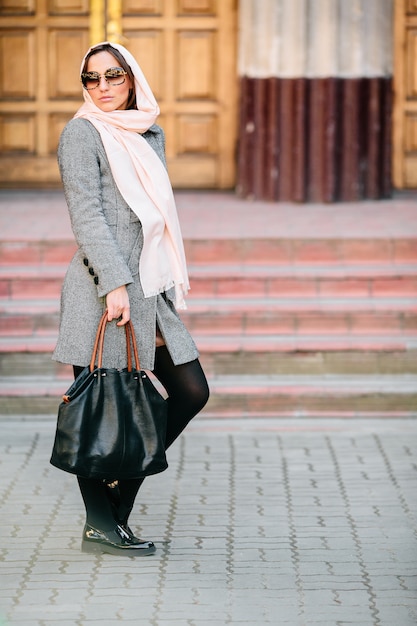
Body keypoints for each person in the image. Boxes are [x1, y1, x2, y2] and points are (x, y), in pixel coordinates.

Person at [52, 41, 209, 557]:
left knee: (190, 390)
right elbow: (88, 215)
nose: (103, 87)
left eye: (113, 75)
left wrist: (154, 283)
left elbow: (153, 219)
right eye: (92, 78)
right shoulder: (81, 133)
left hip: (148, 290)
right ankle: (104, 520)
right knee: (101, 406)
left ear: (132, 78)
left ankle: (113, 502)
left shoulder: (147, 131)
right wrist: (114, 284)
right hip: (105, 291)